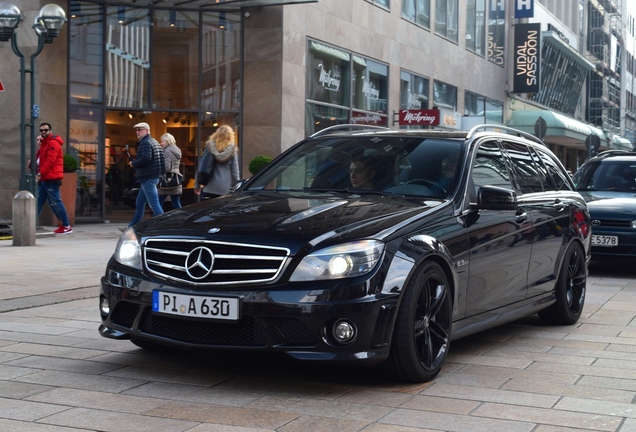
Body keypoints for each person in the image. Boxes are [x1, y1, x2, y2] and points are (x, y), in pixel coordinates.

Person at [123, 122, 164, 230]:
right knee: (140, 202)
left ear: (147, 130)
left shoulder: (146, 143)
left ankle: (164, 226)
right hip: (152, 176)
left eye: (140, 129)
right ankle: (132, 226)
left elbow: (146, 159)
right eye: (136, 130)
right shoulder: (153, 142)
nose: (137, 132)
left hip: (148, 177)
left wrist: (133, 163)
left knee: (154, 204)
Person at [36, 122, 73, 234]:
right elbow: (39, 161)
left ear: (50, 131)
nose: (43, 132)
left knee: (56, 202)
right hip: (44, 179)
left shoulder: (53, 143)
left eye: (45, 130)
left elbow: (50, 161)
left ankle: (66, 226)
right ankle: (28, 224)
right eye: (41, 130)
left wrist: (40, 173)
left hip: (51, 178)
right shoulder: (44, 145)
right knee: (38, 202)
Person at [195, 125, 240, 199]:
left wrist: (197, 184)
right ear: (230, 136)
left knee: (207, 210)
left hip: (209, 187)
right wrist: (237, 186)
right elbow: (235, 172)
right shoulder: (232, 151)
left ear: (216, 135)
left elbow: (201, 167)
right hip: (225, 189)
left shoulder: (209, 148)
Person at [157, 133, 183, 209]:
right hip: (175, 179)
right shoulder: (177, 149)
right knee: (176, 202)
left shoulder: (167, 151)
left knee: (158, 202)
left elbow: (167, 167)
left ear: (168, 141)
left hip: (166, 180)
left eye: (162, 141)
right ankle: (182, 217)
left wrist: (159, 169)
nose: (161, 143)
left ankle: (157, 219)